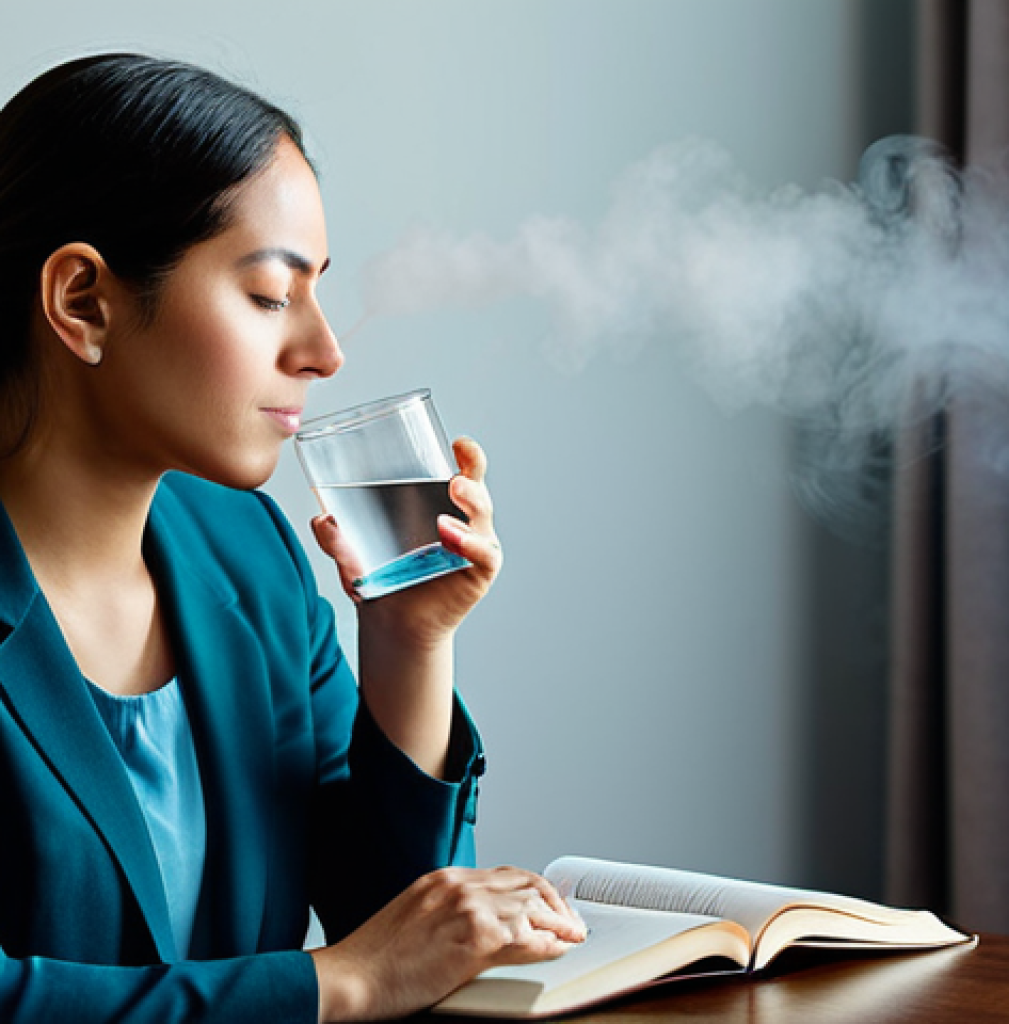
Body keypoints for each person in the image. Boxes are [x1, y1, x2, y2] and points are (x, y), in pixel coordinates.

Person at [0, 53, 585, 1022]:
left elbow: (394, 925)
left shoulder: (247, 553)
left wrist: (407, 642)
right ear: (83, 302)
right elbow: (366, 969)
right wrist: (337, 980)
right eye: (272, 296)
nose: (323, 350)